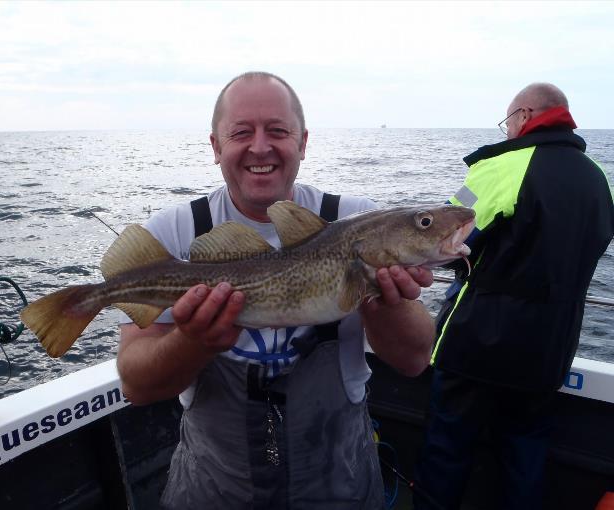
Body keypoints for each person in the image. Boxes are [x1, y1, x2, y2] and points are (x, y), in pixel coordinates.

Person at [116, 71, 437, 509]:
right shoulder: (173, 233)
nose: (261, 146)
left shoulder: (353, 220)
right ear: (216, 146)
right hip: (215, 488)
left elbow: (415, 359)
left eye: (278, 131)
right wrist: (193, 340)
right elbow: (136, 384)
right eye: (241, 132)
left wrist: (386, 303)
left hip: (338, 483)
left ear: (303, 142)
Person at [414, 83, 614, 510]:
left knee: (447, 450)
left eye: (508, 121)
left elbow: (438, 237)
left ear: (524, 115)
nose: (506, 131)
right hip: (551, 347)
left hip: (478, 343)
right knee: (525, 457)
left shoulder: (500, 167)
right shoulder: (599, 179)